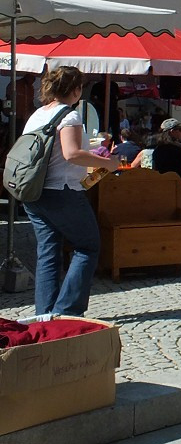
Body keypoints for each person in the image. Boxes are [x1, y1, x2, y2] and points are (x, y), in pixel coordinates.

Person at [21, 66, 120, 317]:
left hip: (34, 192)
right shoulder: (69, 116)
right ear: (76, 90)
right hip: (63, 191)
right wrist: (108, 163)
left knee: (48, 252)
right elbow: (72, 153)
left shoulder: (38, 115)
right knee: (88, 246)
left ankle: (45, 313)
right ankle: (67, 310)